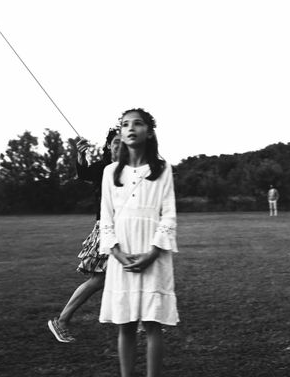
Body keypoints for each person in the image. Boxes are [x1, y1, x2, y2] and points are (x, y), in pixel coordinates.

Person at [99, 108, 178, 377]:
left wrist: (153, 252)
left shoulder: (163, 169)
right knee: (126, 323)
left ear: (150, 131)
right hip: (122, 254)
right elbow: (106, 217)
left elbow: (168, 214)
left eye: (138, 123)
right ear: (120, 132)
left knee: (153, 323)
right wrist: (117, 253)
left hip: (152, 253)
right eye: (125, 124)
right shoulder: (110, 172)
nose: (131, 128)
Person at [48, 128, 121, 343]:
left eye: (123, 142)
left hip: (127, 228)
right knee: (99, 279)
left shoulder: (130, 167)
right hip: (108, 227)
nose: (120, 145)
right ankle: (61, 321)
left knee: (130, 274)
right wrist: (81, 155)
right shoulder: (103, 167)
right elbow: (84, 173)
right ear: (108, 145)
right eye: (116, 141)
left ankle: (140, 323)